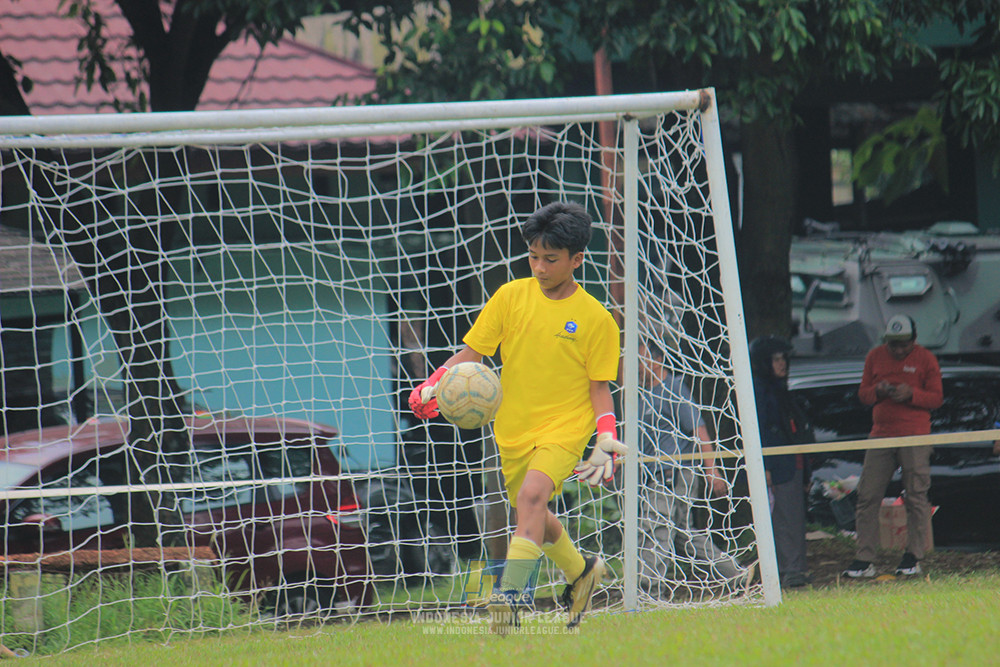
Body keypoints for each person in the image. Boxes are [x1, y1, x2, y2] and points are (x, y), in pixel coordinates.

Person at [408, 201, 626, 633]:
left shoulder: (597, 320)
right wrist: (432, 384)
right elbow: (472, 354)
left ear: (576, 260)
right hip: (512, 428)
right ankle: (582, 572)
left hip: (565, 427)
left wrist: (605, 437)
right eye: (533, 257)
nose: (540, 267)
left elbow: (600, 388)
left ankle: (507, 602)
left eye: (550, 259)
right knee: (534, 512)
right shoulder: (510, 297)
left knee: (529, 500)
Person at [637, 339, 746, 595]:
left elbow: (700, 431)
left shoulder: (674, 388)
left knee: (656, 527)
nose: (638, 367)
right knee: (682, 534)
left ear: (658, 359)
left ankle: (650, 592)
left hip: (676, 473)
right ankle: (736, 573)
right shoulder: (640, 393)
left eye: (643, 360)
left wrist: (712, 471)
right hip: (654, 474)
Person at [843, 314, 943, 578]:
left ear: (914, 340)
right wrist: (880, 390)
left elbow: (936, 398)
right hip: (881, 435)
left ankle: (913, 556)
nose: (897, 349)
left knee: (916, 494)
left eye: (902, 344)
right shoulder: (874, 356)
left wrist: (912, 394)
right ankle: (864, 558)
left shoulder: (926, 359)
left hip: (915, 435)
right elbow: (863, 394)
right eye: (892, 344)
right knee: (867, 495)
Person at [749, 335, 813, 588]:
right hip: (777, 466)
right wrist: (764, 467)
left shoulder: (780, 388)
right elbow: (762, 430)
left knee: (793, 517)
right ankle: (789, 570)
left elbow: (796, 429)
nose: (782, 364)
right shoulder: (759, 389)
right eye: (776, 359)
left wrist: (807, 470)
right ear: (765, 362)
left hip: (793, 464)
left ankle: (795, 568)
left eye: (783, 358)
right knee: (783, 518)